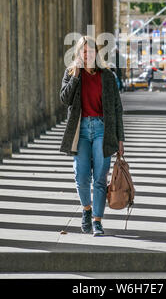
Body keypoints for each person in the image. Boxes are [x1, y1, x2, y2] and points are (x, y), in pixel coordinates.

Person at [59, 36, 125, 236]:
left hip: (102, 129)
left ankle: (97, 221)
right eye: (83, 51)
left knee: (99, 177)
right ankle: (86, 210)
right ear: (78, 53)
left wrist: (120, 139)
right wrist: (76, 75)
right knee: (81, 176)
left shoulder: (107, 76)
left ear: (97, 53)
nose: (87, 55)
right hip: (81, 131)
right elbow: (64, 99)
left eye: (91, 51)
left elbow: (117, 108)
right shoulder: (71, 73)